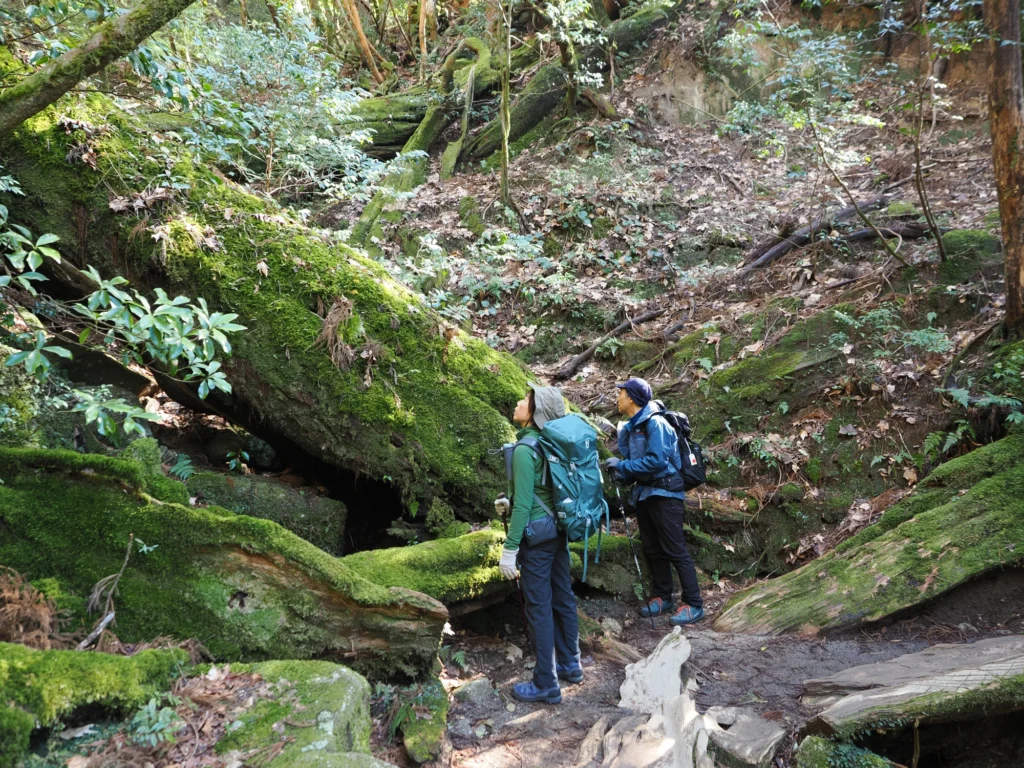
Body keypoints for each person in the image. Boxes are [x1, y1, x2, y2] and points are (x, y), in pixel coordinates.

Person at [495, 383, 582, 704]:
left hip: (536, 537)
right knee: (563, 596)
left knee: (539, 607)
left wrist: (510, 548)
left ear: (534, 413)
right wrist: (509, 500)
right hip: (557, 530)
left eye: (525, 399)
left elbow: (524, 506)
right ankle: (571, 664)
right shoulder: (550, 445)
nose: (519, 402)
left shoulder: (524, 449)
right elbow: (541, 493)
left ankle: (546, 681)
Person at [603, 377, 704, 626]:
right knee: (652, 549)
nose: (618, 397)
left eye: (621, 393)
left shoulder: (656, 423)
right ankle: (663, 597)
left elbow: (657, 461)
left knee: (675, 549)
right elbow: (641, 467)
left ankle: (694, 604)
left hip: (666, 494)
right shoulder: (636, 426)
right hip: (646, 494)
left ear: (632, 398)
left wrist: (623, 464)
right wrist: (622, 473)